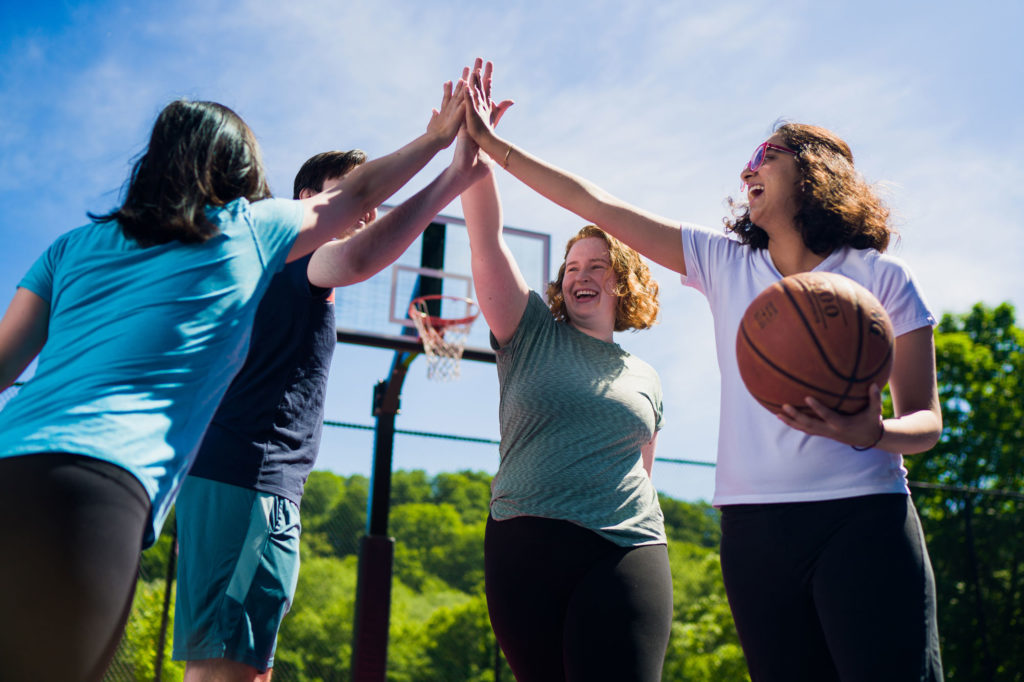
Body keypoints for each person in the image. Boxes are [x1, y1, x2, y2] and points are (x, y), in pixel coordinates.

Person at [461, 58, 944, 680]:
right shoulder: (726, 263)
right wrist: (492, 145)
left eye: (766, 155)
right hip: (753, 529)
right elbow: (594, 203)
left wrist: (871, 434)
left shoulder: (882, 278)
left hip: (862, 512)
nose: (747, 170)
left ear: (815, 170)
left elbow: (926, 422)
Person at [0, 80, 465, 682]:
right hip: (97, 484)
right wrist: (442, 147)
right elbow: (359, 204)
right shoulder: (242, 232)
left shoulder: (69, 248)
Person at [173, 140, 490, 681]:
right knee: (228, 670)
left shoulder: (273, 269)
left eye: (373, 198)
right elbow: (361, 258)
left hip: (233, 483)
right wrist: (452, 179)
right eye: (354, 192)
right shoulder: (295, 254)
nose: (368, 208)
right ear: (307, 200)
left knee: (233, 663)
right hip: (249, 485)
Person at [455, 65, 672, 681]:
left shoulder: (645, 376)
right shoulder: (529, 334)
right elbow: (486, 240)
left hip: (627, 546)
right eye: (572, 265)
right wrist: (474, 147)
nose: (580, 274)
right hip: (526, 547)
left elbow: (643, 472)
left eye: (597, 265)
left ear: (623, 281)